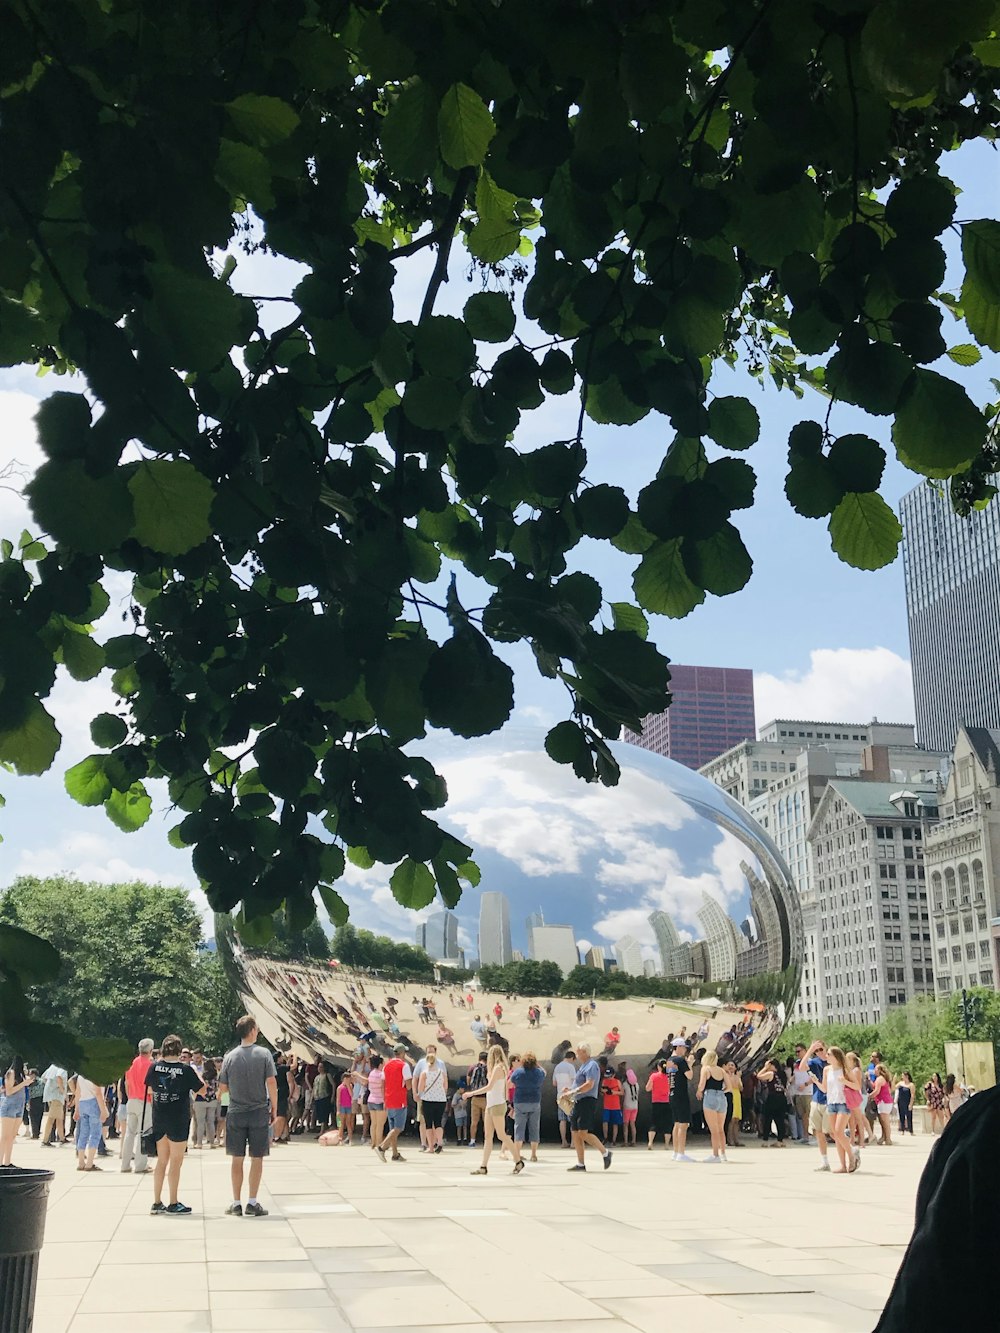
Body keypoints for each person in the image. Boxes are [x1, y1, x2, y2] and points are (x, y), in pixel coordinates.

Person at [219, 1014, 278, 1217]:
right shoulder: (264, 1054)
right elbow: (271, 1083)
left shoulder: (229, 1057)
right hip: (258, 1111)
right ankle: (252, 1202)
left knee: (237, 1157)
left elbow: (223, 1088)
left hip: (236, 1112)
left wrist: (226, 1109)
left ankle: (236, 1203)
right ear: (252, 1030)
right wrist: (274, 1108)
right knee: (257, 1157)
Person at [146, 1034, 206, 1214]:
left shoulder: (155, 1067)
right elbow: (201, 1089)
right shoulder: (186, 1070)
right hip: (178, 1118)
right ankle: (173, 1201)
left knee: (161, 1161)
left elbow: (149, 1088)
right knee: (176, 1162)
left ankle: (157, 1201)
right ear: (180, 1051)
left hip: (159, 1117)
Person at [467, 1045, 519, 1175]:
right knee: (488, 1136)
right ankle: (483, 1166)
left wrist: (471, 1093)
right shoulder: (498, 1068)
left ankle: (518, 1160)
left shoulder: (498, 1068)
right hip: (491, 1104)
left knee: (501, 1135)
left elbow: (489, 1087)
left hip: (496, 1104)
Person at [567, 1042, 612, 1172]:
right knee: (575, 1132)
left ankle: (605, 1152)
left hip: (587, 1101)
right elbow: (579, 1084)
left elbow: (589, 1084)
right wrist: (570, 1089)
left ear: (585, 1052)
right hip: (578, 1101)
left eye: (579, 1051)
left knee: (583, 1132)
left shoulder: (592, 1066)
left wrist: (573, 1091)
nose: (577, 1054)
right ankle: (581, 1163)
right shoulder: (583, 1066)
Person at [813, 1046, 857, 1174]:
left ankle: (851, 1156)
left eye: (828, 1054)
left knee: (838, 1132)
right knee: (835, 1135)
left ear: (836, 1057)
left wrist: (845, 1081)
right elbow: (825, 1089)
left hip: (844, 1103)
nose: (826, 1056)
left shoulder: (845, 1070)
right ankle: (843, 1165)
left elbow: (857, 1085)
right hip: (831, 1103)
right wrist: (816, 1082)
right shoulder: (827, 1070)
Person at [799, 1039, 832, 1172]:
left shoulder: (831, 1061)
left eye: (820, 1049)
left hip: (830, 1099)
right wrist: (810, 1051)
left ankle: (851, 1150)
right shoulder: (814, 1062)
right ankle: (824, 1161)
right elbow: (802, 1067)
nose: (819, 1052)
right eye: (816, 1050)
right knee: (818, 1131)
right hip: (817, 1098)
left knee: (832, 1132)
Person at [377, 1044, 412, 1162]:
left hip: (389, 1099)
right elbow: (408, 1086)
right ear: (402, 1053)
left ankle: (395, 1153)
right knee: (398, 1128)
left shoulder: (386, 1066)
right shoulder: (404, 1065)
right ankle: (382, 1147)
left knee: (392, 1129)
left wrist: (384, 1099)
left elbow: (382, 1084)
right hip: (399, 1099)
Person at [510, 1051, 545, 1166]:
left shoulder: (518, 1072)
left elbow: (511, 1083)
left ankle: (518, 1153)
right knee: (534, 1127)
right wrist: (538, 1065)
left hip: (520, 1102)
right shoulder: (538, 1072)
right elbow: (545, 1073)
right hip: (535, 1101)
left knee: (519, 1128)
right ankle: (534, 1154)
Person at [73, 1071, 109, 1173]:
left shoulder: (81, 1075)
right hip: (93, 1103)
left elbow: (78, 1092)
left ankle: (81, 1162)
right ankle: (89, 1163)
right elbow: (98, 1093)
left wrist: (77, 1109)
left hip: (83, 1103)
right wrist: (103, 1110)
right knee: (95, 1134)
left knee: (83, 1134)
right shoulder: (96, 1075)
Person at [697, 1049, 729, 1162]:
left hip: (710, 1096)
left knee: (713, 1129)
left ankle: (715, 1155)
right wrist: (721, 1092)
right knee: (721, 1128)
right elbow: (729, 1087)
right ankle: (723, 1153)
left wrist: (699, 1091)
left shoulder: (705, 1069)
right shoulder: (722, 1070)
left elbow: (701, 1085)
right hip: (721, 1097)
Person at [1, 1057, 34, 1166]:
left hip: (19, 1107)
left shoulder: (21, 1075)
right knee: (5, 1136)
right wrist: (23, 1084)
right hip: (10, 1106)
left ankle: (7, 1162)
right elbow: (9, 1092)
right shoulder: (11, 1073)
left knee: (12, 1136)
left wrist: (26, 1081)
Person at [417, 1047, 449, 1154]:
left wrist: (420, 1093)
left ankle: (430, 1147)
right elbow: (445, 1086)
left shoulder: (424, 1073)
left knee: (429, 1124)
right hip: (440, 1099)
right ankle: (439, 1142)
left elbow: (420, 1088)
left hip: (428, 1099)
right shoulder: (442, 1072)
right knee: (438, 1122)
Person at [667, 1048, 693, 1161]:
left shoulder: (669, 1060)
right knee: (683, 1124)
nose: (685, 1050)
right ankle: (681, 1153)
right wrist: (690, 1064)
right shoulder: (680, 1060)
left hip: (672, 1093)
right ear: (678, 1047)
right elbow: (689, 1075)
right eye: (683, 1047)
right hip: (681, 1095)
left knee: (676, 1123)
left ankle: (676, 1151)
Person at [756, 1059, 788, 1148]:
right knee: (780, 1120)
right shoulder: (783, 1074)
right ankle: (780, 1140)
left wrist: (765, 1068)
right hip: (782, 1097)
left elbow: (759, 1076)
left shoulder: (771, 1074)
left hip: (773, 1097)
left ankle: (765, 1140)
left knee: (768, 1119)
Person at [645, 1059, 672, 1150]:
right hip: (667, 1102)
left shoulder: (654, 1076)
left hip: (656, 1102)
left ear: (658, 1067)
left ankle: (650, 1142)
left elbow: (648, 1088)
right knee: (667, 1123)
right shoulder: (670, 1077)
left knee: (654, 1122)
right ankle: (667, 1145)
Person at [39, 1061, 67, 1148]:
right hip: (57, 1096)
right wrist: (62, 1090)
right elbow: (59, 1077)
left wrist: (50, 1087)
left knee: (59, 1117)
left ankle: (62, 1138)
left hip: (50, 1095)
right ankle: (45, 1140)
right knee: (51, 1118)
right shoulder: (62, 1067)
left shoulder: (53, 1066)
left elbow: (43, 1078)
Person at [553, 1048, 576, 1148]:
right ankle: (573, 1143)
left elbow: (554, 1083)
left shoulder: (557, 1067)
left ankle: (563, 1141)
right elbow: (575, 1081)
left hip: (560, 1096)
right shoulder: (570, 1067)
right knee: (572, 1120)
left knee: (562, 1120)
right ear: (572, 1058)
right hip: (569, 1096)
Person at [465, 1051, 489, 1147]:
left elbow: (468, 1081)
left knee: (474, 1122)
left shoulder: (472, 1067)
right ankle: (486, 1140)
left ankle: (472, 1140)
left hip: (474, 1098)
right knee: (486, 1121)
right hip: (485, 1098)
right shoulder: (488, 1068)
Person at [364, 1054, 386, 1151]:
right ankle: (379, 1143)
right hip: (380, 1100)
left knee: (374, 1123)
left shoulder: (371, 1073)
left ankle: (373, 1142)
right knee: (380, 1124)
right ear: (380, 1064)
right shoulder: (382, 1075)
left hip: (371, 1099)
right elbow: (383, 1088)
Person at [871, 1063, 894, 1144]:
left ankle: (888, 1139)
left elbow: (876, 1091)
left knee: (885, 1121)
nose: (874, 1070)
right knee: (883, 1121)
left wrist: (869, 1096)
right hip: (883, 1101)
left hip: (884, 1101)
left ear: (880, 1070)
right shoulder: (881, 1079)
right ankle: (884, 1137)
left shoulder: (880, 1079)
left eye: (876, 1069)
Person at [601, 1065, 623, 1145]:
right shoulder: (604, 1081)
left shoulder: (617, 1082)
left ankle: (614, 1140)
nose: (608, 1078)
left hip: (615, 1105)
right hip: (606, 1105)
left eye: (610, 1076)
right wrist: (604, 1091)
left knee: (615, 1123)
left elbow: (622, 1092)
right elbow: (602, 1090)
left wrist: (614, 1092)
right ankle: (605, 1137)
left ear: (613, 1075)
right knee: (605, 1121)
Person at [619, 1063, 639, 1146]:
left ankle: (626, 1142)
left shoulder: (624, 1085)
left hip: (627, 1106)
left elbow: (623, 1095)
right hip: (635, 1106)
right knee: (632, 1124)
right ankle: (634, 1141)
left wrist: (621, 1104)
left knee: (626, 1125)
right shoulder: (637, 1085)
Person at [724, 1060, 742, 1147]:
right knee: (731, 1119)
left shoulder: (737, 1076)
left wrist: (738, 1077)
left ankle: (736, 1140)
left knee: (736, 1119)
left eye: (732, 1065)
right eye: (729, 1065)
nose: (731, 1067)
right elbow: (732, 1085)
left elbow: (740, 1087)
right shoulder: (725, 1075)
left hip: (737, 1096)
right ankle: (729, 1140)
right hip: (730, 1095)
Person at [337, 1071, 355, 1145]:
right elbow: (338, 1099)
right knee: (341, 1123)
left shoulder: (350, 1086)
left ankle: (350, 1139)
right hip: (342, 1106)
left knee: (349, 1123)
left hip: (348, 1106)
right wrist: (338, 1110)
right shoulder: (339, 1088)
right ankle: (340, 1139)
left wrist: (348, 1086)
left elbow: (352, 1095)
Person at [895, 1071, 915, 1135]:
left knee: (909, 1116)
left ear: (907, 1076)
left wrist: (911, 1104)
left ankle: (910, 1130)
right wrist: (893, 1080)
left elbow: (912, 1095)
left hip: (907, 1101)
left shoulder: (911, 1085)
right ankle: (902, 1129)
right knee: (901, 1116)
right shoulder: (900, 1083)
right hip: (900, 1101)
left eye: (903, 1075)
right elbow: (893, 1088)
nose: (902, 1077)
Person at [451, 1076, 468, 1143]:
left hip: (464, 1113)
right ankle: (459, 1139)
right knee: (459, 1126)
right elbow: (453, 1105)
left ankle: (465, 1138)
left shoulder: (464, 1095)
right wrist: (459, 1105)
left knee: (465, 1126)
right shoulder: (456, 1096)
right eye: (463, 1088)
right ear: (460, 1088)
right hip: (458, 1114)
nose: (464, 1090)